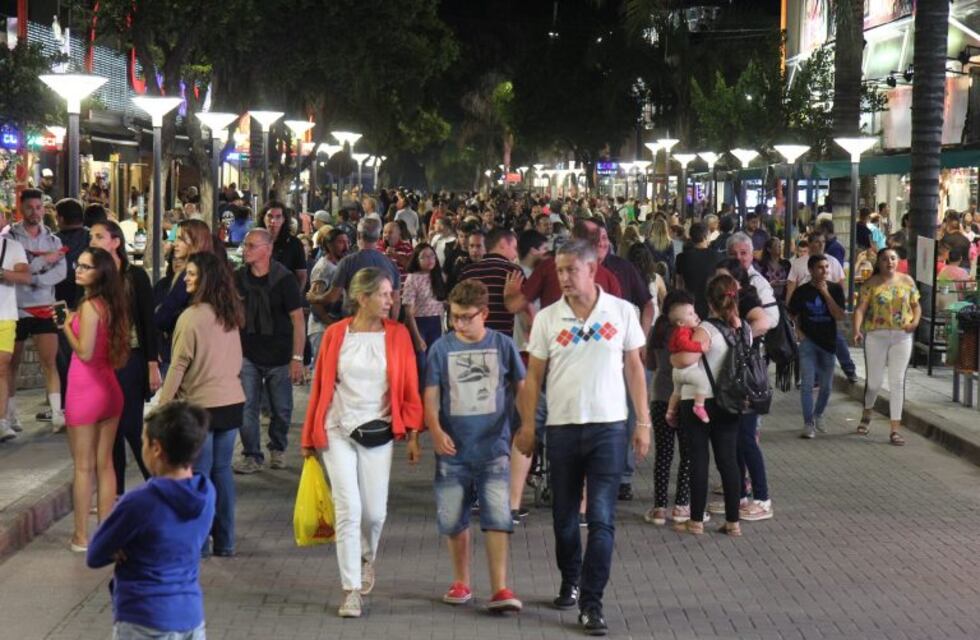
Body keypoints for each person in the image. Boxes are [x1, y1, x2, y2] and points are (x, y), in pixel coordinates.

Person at [514, 239, 651, 636]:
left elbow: (635, 369)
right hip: (562, 428)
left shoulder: (621, 312)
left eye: (571, 270)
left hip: (609, 428)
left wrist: (643, 422)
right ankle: (570, 577)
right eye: (559, 270)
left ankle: (592, 603)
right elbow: (533, 377)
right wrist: (527, 425)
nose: (563, 277)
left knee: (602, 518)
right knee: (564, 519)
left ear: (592, 270)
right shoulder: (547, 318)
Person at [300, 267, 423, 619]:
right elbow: (320, 388)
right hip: (336, 428)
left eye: (390, 294)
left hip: (378, 431)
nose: (390, 300)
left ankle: (367, 555)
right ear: (361, 297)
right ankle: (350, 589)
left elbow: (410, 387)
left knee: (374, 512)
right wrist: (309, 435)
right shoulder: (335, 334)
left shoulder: (398, 335)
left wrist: (413, 433)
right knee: (348, 509)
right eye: (383, 294)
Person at [424, 280, 525, 611]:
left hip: (494, 447)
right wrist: (435, 429)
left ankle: (500, 587)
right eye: (454, 316)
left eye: (466, 317)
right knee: (454, 518)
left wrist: (529, 426)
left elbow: (522, 387)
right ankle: (461, 581)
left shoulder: (503, 345)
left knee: (498, 517)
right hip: (452, 450)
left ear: (484, 313)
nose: (459, 324)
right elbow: (431, 394)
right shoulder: (440, 349)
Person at [86, 401, 215, 640]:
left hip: (144, 617)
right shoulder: (206, 493)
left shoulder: (140, 501)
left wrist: (122, 547)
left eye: (143, 442)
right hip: (190, 616)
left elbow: (95, 553)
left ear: (156, 448)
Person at [158, 252, 245, 557]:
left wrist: (163, 406)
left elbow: (178, 364)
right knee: (222, 472)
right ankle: (226, 541)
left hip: (200, 406)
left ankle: (200, 543)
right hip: (232, 402)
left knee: (200, 475)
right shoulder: (230, 313)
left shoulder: (190, 317)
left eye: (192, 274)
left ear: (206, 278)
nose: (187, 279)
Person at [62, 247, 129, 550]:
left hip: (85, 391)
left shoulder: (89, 306)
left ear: (100, 273)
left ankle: (81, 537)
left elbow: (85, 352)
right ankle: (106, 534)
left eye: (86, 267)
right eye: (78, 265)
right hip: (110, 390)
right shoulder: (112, 304)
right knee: (106, 465)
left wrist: (66, 327)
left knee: (83, 467)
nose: (78, 270)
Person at [89, 221, 161, 496]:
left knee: (130, 424)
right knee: (111, 429)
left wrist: (152, 363)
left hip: (131, 357)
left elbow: (148, 321)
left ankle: (159, 485)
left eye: (99, 236)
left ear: (116, 241)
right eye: (92, 237)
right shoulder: (94, 277)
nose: (93, 241)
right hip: (103, 359)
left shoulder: (135, 276)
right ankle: (115, 492)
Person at [233, 229, 306, 474]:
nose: (246, 250)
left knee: (281, 408)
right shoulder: (238, 278)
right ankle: (252, 454)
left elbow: (298, 320)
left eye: (251, 245)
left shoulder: (284, 279)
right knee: (246, 408)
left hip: (280, 354)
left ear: (268, 249)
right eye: (245, 245)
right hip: (247, 353)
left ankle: (278, 446)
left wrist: (297, 357)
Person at [677, 274, 743, 537]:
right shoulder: (742, 330)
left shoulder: (704, 330)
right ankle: (733, 522)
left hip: (698, 400)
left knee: (698, 459)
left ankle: (696, 521)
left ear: (709, 301)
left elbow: (683, 360)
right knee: (729, 461)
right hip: (730, 401)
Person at [5, 188, 67, 431]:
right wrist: (41, 264)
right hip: (15, 308)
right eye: (30, 207)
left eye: (38, 207)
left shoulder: (53, 239)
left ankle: (57, 414)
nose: (35, 212)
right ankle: (10, 415)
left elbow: (61, 272)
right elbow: (11, 271)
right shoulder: (10, 238)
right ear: (21, 208)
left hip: (44, 306)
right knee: (11, 364)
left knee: (49, 362)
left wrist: (32, 278)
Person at [852, 248, 920, 446]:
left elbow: (916, 306)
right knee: (874, 383)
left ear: (897, 261)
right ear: (878, 262)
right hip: (876, 335)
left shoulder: (907, 281)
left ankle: (895, 429)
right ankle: (867, 411)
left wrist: (915, 322)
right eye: (884, 259)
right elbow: (860, 309)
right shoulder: (870, 284)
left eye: (892, 258)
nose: (889, 262)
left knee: (897, 382)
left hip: (902, 336)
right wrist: (856, 330)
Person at [644, 291, 695, 526]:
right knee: (687, 452)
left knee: (663, 454)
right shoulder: (690, 331)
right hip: (685, 397)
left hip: (659, 395)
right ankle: (682, 505)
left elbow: (650, 364)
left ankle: (659, 508)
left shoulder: (657, 330)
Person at [788, 254, 846, 439]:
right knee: (807, 384)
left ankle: (818, 413)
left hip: (828, 343)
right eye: (820, 267)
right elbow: (791, 314)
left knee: (826, 386)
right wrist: (798, 331)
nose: (824, 271)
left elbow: (839, 315)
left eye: (826, 267)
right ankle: (808, 423)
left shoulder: (835, 289)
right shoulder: (802, 291)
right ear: (811, 270)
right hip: (808, 343)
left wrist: (826, 293)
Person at [785, 233, 856, 383]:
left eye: (823, 241)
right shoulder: (798, 263)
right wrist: (789, 309)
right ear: (810, 244)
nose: (821, 244)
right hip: (807, 310)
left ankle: (849, 369)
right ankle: (815, 377)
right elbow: (791, 286)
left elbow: (840, 284)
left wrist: (839, 302)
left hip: (828, 310)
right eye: (817, 241)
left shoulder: (833, 262)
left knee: (837, 339)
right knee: (810, 344)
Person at [154, 219, 213, 373]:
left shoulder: (189, 274)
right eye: (176, 238)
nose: (175, 244)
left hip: (182, 353)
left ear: (196, 241)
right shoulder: (213, 270)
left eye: (181, 239)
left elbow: (163, 316)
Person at [322, 218, 401, 320]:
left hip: (354, 322)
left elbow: (333, 297)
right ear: (378, 237)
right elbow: (396, 300)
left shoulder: (347, 262)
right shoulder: (391, 263)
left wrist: (315, 298)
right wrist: (392, 325)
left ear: (358, 235)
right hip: (381, 323)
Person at [458, 228, 523, 337]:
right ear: (503, 244)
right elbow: (524, 308)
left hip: (473, 336)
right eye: (514, 248)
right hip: (503, 337)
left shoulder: (466, 272)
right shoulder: (513, 271)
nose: (516, 254)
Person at [0, 224, 30, 441]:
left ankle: (2, 421)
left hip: (5, 315)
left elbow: (25, 276)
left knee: (2, 368)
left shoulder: (12, 247)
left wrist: (3, 272)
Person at [402, 243, 447, 375]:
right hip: (419, 323)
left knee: (435, 362)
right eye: (424, 257)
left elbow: (440, 300)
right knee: (422, 364)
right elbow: (408, 311)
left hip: (437, 322)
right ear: (417, 259)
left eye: (432, 255)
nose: (430, 259)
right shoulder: (413, 278)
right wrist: (417, 337)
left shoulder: (438, 276)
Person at [664, 301, 710, 425]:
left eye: (694, 312)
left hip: (676, 372)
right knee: (703, 383)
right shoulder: (682, 331)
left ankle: (670, 412)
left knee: (676, 392)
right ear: (680, 323)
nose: (695, 315)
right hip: (687, 370)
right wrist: (700, 347)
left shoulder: (681, 330)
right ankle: (699, 406)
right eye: (690, 314)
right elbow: (685, 344)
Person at [306, 228, 349, 361]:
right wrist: (330, 323)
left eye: (347, 242)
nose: (346, 246)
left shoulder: (339, 265)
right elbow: (314, 301)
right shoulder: (323, 268)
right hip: (322, 329)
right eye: (341, 242)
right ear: (329, 245)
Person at [258, 202, 308, 290]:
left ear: (284, 219)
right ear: (263, 218)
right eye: (270, 216)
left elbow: (301, 276)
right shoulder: (255, 241)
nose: (273, 221)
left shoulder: (294, 243)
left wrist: (296, 295)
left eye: (278, 217)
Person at [674, 222, 717, 320]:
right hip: (711, 304)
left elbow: (679, 283)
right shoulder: (717, 257)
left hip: (690, 303)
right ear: (706, 237)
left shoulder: (681, 257)